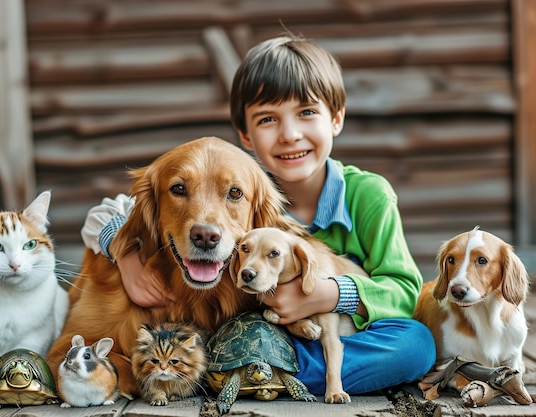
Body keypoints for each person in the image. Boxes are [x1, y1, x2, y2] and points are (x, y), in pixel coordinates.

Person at [81, 34, 436, 396]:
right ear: (245, 135)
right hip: (251, 331)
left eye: (307, 113)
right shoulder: (236, 180)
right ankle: (243, 368)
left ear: (337, 118)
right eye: (268, 119)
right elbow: (112, 211)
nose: (290, 134)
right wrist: (124, 254)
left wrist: (328, 294)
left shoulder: (367, 195)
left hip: (331, 337)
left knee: (415, 344)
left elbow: (406, 292)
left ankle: (243, 373)